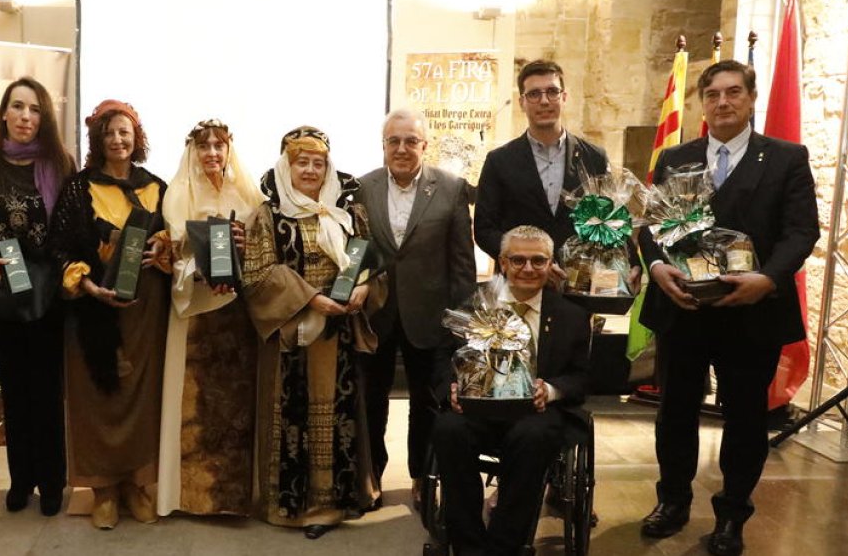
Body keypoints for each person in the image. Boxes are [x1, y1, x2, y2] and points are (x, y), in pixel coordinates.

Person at [638, 60, 818, 556]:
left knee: (744, 420)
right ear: (701, 103)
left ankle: (732, 514)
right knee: (674, 412)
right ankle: (671, 501)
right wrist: (656, 269)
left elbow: (802, 231)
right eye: (713, 94)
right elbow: (650, 228)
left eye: (734, 92)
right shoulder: (677, 157)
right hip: (684, 308)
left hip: (752, 313)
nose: (723, 102)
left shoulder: (785, 158)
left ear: (752, 98)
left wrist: (767, 278)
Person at [240, 125, 380, 539]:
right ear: (286, 165)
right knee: (293, 413)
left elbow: (370, 260)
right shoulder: (269, 214)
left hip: (339, 334)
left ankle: (332, 502)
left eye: (318, 163)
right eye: (301, 162)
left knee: (336, 414)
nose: (310, 170)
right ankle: (291, 506)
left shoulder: (348, 212)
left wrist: (365, 286)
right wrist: (310, 299)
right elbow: (257, 275)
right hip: (292, 331)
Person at [430, 225, 591, 556]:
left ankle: (504, 546)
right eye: (518, 260)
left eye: (538, 261)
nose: (528, 269)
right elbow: (441, 358)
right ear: (502, 262)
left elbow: (581, 378)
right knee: (448, 429)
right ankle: (469, 545)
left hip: (536, 413)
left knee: (532, 437)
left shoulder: (571, 315)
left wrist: (552, 389)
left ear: (551, 264)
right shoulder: (472, 303)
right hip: (475, 409)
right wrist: (453, 388)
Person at [0, 77, 77, 516]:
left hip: (48, 291)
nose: (26, 116)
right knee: (15, 386)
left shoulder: (60, 163)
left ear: (43, 117)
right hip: (1, 288)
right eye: (18, 107)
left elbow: (68, 227)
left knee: (47, 388)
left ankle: (51, 481)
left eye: (34, 109)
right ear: (4, 113)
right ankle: (20, 479)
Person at [55, 99, 171, 529]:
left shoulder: (157, 186)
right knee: (97, 400)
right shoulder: (77, 188)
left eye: (124, 132)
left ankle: (136, 485)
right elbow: (61, 247)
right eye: (109, 133)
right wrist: (87, 285)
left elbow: (172, 237)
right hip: (93, 310)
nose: (117, 140)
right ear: (97, 139)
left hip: (146, 310)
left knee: (141, 398)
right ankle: (102, 489)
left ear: (136, 137)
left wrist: (163, 247)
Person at [355, 108, 476, 508]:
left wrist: (461, 322)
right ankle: (370, 476)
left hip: (430, 317)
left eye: (411, 141)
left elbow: (462, 263)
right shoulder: (362, 188)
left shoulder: (451, 188)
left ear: (425, 145)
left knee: (426, 403)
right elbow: (353, 253)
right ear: (384, 146)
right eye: (394, 141)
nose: (402, 148)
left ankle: (423, 478)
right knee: (371, 399)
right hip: (376, 315)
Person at [157, 119, 264, 516]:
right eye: (204, 146)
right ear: (193, 151)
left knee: (236, 403)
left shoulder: (247, 192)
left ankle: (235, 499)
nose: (213, 153)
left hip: (237, 312)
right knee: (195, 405)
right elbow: (174, 254)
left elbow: (260, 246)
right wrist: (198, 269)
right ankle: (191, 499)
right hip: (197, 310)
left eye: (220, 145)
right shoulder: (178, 194)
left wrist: (244, 243)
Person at [474, 60, 626, 283]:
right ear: (522, 102)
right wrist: (526, 261)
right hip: (520, 284)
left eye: (552, 92)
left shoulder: (594, 157)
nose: (544, 101)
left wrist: (628, 265)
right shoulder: (499, 161)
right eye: (534, 94)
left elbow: (612, 221)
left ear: (564, 98)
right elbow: (484, 228)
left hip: (578, 283)